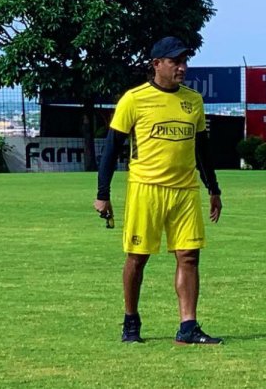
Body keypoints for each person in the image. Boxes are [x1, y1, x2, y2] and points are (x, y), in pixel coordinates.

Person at [92, 36, 224, 345]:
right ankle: (131, 320)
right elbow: (111, 150)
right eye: (175, 61)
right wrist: (102, 194)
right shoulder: (134, 99)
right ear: (156, 64)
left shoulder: (194, 101)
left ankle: (188, 327)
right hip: (146, 190)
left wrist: (214, 189)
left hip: (185, 191)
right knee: (137, 258)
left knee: (189, 257)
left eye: (184, 61)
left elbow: (202, 150)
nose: (182, 67)